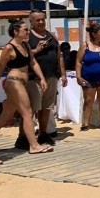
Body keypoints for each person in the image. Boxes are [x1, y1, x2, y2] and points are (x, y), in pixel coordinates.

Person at [0, 20, 52, 154]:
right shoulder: (9, 48)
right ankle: (34, 145)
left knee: (6, 115)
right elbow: (0, 68)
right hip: (14, 82)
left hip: (21, 83)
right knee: (28, 113)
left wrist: (42, 78)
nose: (28, 32)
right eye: (25, 30)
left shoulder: (25, 45)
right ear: (16, 31)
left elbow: (33, 62)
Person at [25, 10, 66, 147]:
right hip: (34, 78)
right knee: (32, 109)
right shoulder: (27, 37)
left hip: (52, 76)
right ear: (31, 21)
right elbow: (21, 55)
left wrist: (63, 74)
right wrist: (36, 50)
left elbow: (59, 55)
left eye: (43, 19)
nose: (41, 22)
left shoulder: (52, 36)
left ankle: (43, 133)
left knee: (47, 107)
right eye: (38, 20)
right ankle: (26, 137)